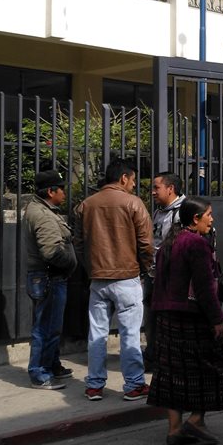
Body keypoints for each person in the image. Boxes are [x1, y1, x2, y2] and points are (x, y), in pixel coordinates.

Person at [148, 197, 223, 445]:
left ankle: (174, 429)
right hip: (191, 317)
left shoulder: (167, 244)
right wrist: (217, 319)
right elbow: (205, 287)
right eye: (208, 214)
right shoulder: (196, 244)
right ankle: (196, 420)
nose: (212, 219)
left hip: (166, 315)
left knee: (173, 373)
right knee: (212, 369)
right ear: (195, 219)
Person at [74, 158, 153, 401]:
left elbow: (77, 244)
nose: (133, 185)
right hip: (127, 278)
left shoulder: (86, 205)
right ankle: (134, 385)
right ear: (123, 178)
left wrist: (91, 268)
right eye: (132, 180)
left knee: (97, 334)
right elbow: (146, 244)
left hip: (98, 279)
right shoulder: (133, 203)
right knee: (130, 334)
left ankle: (95, 385)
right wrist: (145, 269)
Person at [21, 169, 77, 389]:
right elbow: (51, 252)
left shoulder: (43, 209)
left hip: (47, 277)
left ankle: (52, 364)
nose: (64, 193)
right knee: (45, 327)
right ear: (51, 191)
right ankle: (39, 373)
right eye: (61, 189)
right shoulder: (43, 215)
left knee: (52, 325)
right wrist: (71, 263)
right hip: (49, 277)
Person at [145, 171, 185, 369]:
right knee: (152, 317)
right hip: (154, 273)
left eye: (156, 187)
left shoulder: (184, 211)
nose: (152, 192)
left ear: (170, 189)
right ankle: (153, 356)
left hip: (172, 275)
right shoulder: (159, 211)